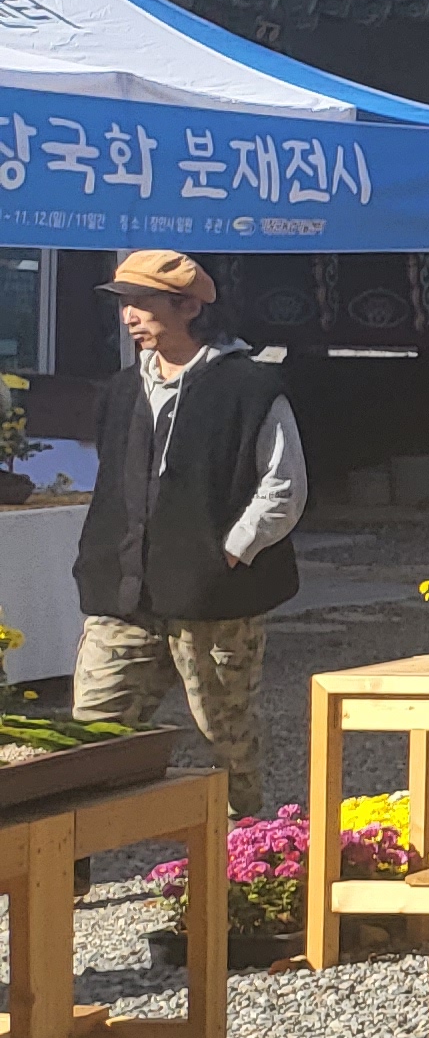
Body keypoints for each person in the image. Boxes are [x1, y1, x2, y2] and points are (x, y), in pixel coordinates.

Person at [72, 249, 304, 816]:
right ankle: (64, 873)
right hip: (125, 594)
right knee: (89, 732)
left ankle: (249, 871)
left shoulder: (248, 386)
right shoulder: (124, 387)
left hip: (215, 600)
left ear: (188, 307)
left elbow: (284, 486)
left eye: (142, 303)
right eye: (125, 304)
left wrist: (229, 551)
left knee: (223, 738)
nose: (129, 315)